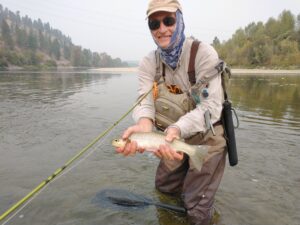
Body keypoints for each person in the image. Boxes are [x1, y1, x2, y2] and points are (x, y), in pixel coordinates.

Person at [115, 0, 227, 224]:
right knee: (164, 190)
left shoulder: (203, 54)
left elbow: (212, 108)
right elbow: (144, 101)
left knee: (196, 208)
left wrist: (177, 128)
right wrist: (144, 124)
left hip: (207, 136)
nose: (161, 29)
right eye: (154, 24)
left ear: (180, 20)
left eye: (168, 20)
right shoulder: (149, 63)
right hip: (168, 139)